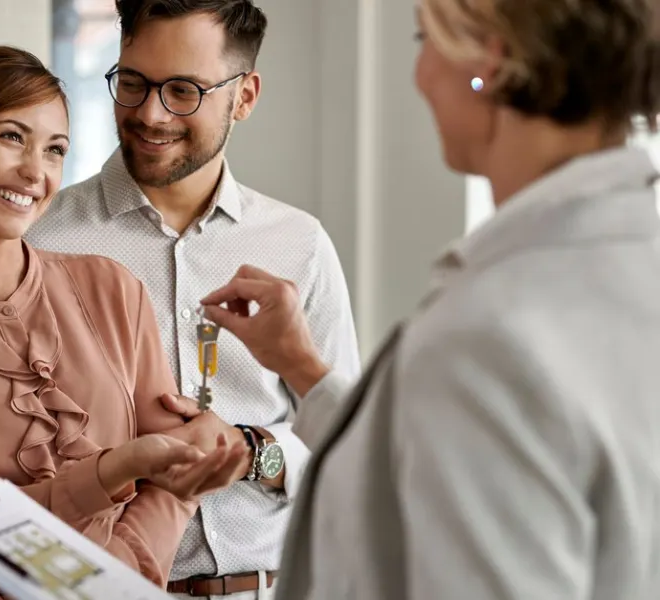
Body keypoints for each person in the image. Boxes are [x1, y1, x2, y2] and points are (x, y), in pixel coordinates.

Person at [0, 1, 362, 598]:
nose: (150, 114)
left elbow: (350, 447)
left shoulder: (300, 246)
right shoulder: (36, 238)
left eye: (183, 90)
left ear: (244, 95)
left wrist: (253, 450)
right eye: (132, 84)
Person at [198, 1, 660, 598]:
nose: (420, 76)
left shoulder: (491, 334)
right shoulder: (625, 265)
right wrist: (303, 369)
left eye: (424, 39)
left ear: (488, 62)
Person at [0, 45, 251, 600]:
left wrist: (114, 583)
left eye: (55, 150)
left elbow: (176, 480)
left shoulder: (112, 288)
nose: (35, 172)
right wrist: (116, 469)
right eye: (12, 137)